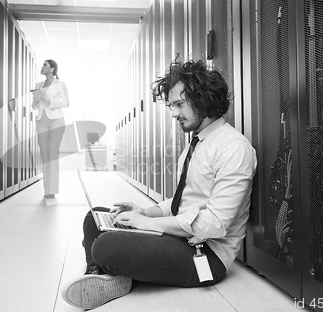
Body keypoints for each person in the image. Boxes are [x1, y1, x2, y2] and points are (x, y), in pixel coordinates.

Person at [61, 59, 257, 310]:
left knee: (106, 246)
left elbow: (215, 224)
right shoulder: (195, 144)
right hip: (179, 237)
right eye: (171, 105)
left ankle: (106, 270)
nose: (174, 113)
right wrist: (146, 212)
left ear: (204, 99)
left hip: (205, 254)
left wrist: (149, 224)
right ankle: (102, 276)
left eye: (179, 104)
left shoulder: (233, 148)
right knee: (96, 217)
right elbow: (183, 202)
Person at [32, 59, 70, 199]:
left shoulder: (60, 84)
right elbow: (34, 106)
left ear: (52, 69)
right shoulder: (38, 85)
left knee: (52, 154)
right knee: (44, 154)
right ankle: (46, 189)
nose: (42, 67)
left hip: (56, 120)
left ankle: (52, 190)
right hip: (41, 120)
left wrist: (50, 101)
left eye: (45, 65)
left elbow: (66, 103)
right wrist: (36, 99)